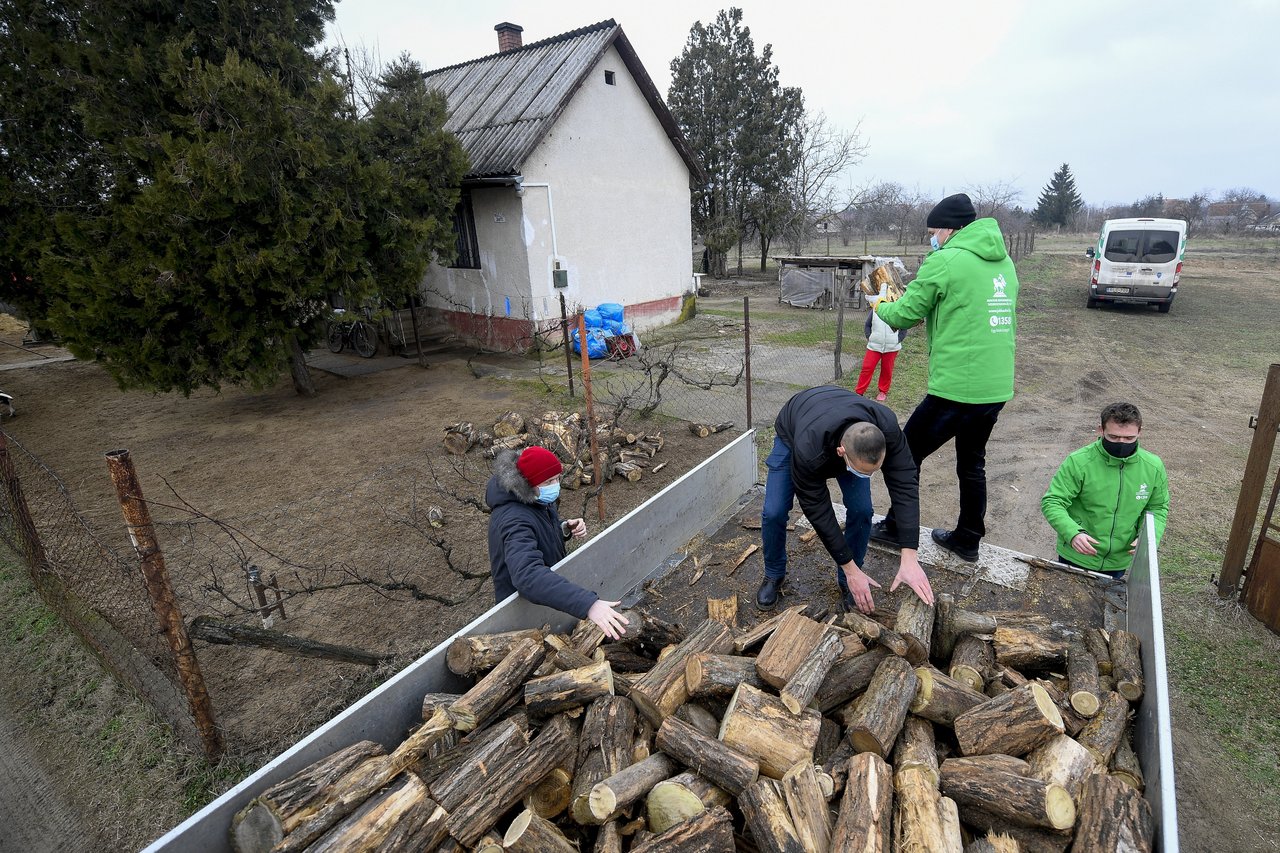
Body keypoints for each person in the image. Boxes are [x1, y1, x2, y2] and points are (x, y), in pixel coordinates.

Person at [869, 193, 1018, 562]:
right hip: (994, 386)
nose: (932, 237)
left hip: (957, 388)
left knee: (903, 454)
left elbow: (905, 315)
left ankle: (896, 528)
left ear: (949, 229)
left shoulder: (945, 260)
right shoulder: (1005, 264)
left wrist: (880, 302)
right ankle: (968, 538)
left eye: (934, 230)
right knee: (972, 461)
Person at [757, 385, 934, 614]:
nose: (867, 477)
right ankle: (774, 573)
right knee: (774, 511)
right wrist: (848, 567)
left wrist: (910, 555)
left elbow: (905, 485)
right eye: (862, 471)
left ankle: (849, 579)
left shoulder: (887, 428)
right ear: (842, 453)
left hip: (836, 416)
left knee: (862, 510)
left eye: (873, 471)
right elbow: (818, 511)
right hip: (796, 427)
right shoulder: (808, 450)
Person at [486, 446, 629, 638]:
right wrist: (588, 604)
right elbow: (527, 575)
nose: (556, 486)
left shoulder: (534, 501)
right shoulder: (513, 520)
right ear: (527, 484)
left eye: (557, 479)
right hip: (523, 614)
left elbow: (536, 531)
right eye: (549, 481)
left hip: (547, 597)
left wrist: (562, 528)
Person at [1041, 402, 1169, 576]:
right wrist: (1072, 533)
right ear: (1101, 430)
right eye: (1114, 437)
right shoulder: (1078, 461)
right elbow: (1053, 501)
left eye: (1129, 438)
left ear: (1140, 432)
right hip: (1077, 555)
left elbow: (1157, 507)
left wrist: (1150, 537)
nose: (1122, 443)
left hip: (1119, 561)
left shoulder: (1153, 466)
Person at [855, 279, 908, 402]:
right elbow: (867, 325)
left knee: (887, 370)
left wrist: (898, 339)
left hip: (892, 347)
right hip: (874, 346)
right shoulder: (875, 309)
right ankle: (859, 391)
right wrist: (870, 337)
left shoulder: (896, 309)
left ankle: (883, 391)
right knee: (867, 368)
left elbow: (904, 327)